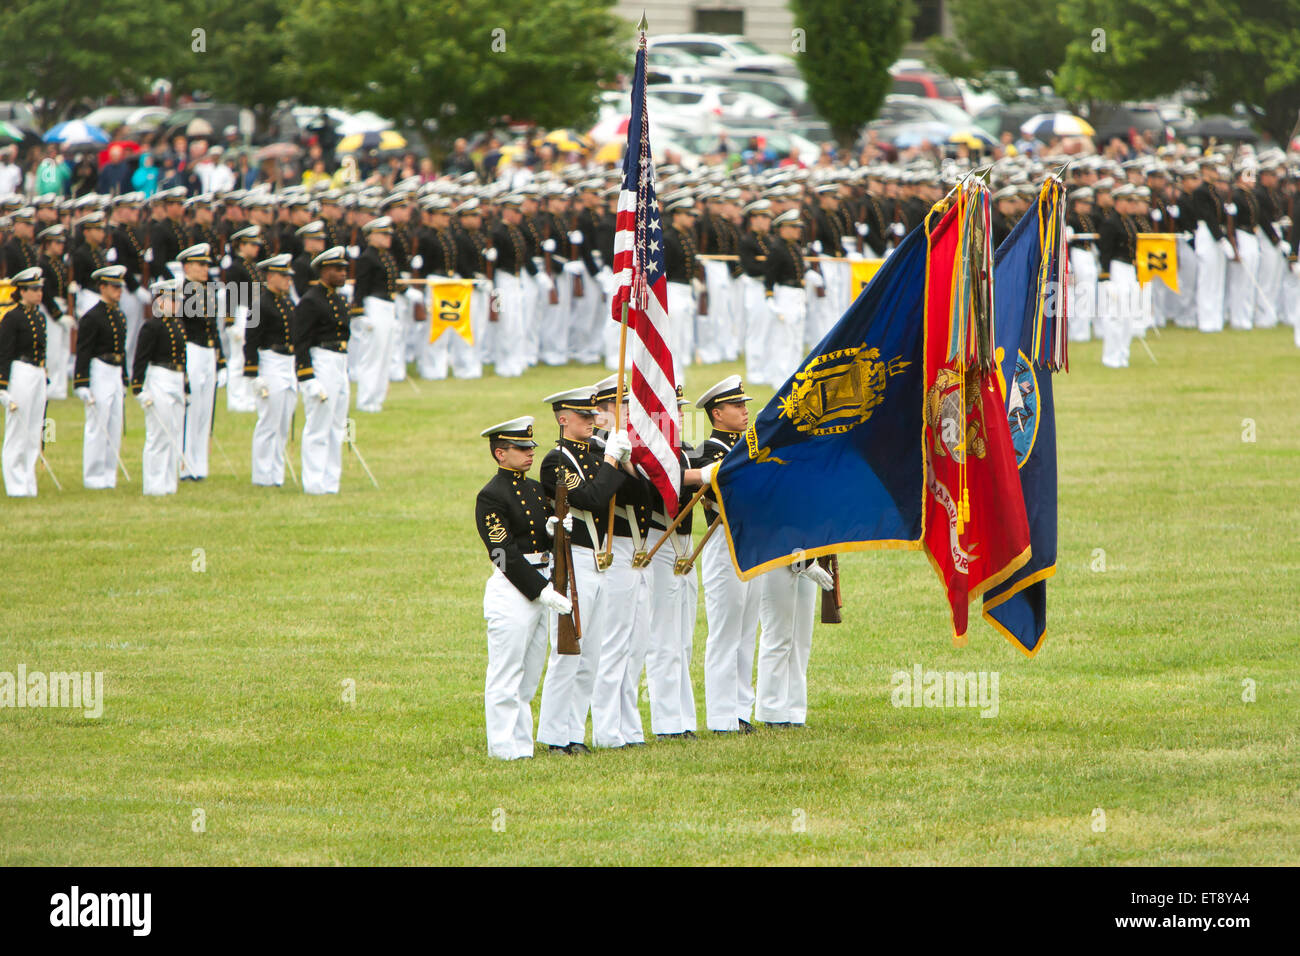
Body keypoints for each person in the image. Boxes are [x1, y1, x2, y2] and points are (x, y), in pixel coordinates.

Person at [535, 387, 629, 754]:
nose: (592, 421)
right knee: (568, 651)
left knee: (591, 654)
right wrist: (611, 462)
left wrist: (625, 458)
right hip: (573, 561)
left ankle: (574, 732)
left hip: (599, 560)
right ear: (563, 420)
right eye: (583, 416)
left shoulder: (595, 454)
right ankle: (555, 735)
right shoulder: (555, 461)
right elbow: (590, 498)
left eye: (593, 416)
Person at [476, 415, 573, 759]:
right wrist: (541, 591)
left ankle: (522, 745)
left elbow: (540, 537)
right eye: (520, 448)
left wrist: (556, 529)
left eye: (530, 446)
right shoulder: (490, 496)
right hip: (513, 588)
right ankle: (504, 748)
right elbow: (502, 553)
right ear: (500, 454)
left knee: (529, 675)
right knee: (506, 672)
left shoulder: (533, 489)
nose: (529, 453)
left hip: (542, 582)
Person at [693, 375, 759, 734]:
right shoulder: (707, 452)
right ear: (717, 413)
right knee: (725, 632)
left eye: (744, 404)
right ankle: (721, 716)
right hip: (726, 539)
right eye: (737, 406)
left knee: (747, 630)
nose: (745, 411)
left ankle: (741, 710)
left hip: (754, 539)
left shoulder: (750, 444)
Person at [292, 245, 352, 495]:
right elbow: (301, 341)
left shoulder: (338, 298)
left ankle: (331, 481)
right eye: (337, 269)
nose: (343, 273)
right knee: (318, 425)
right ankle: (314, 482)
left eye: (344, 269)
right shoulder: (310, 300)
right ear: (323, 270)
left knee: (338, 425)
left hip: (339, 361)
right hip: (322, 360)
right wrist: (307, 377)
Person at [244, 253, 298, 487]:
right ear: (271, 276)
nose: (288, 280)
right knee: (269, 420)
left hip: (288, 361)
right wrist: (253, 375)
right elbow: (251, 341)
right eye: (284, 275)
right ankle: (262, 474)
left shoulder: (288, 302)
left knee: (284, 421)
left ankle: (276, 473)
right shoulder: (259, 304)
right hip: (270, 361)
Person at [73, 265, 130, 489]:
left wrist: (124, 378)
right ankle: (93, 476)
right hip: (99, 369)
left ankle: (109, 474)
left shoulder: (119, 315)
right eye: (115, 286)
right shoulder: (92, 317)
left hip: (114, 371)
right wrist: (81, 382)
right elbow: (84, 350)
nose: (119, 291)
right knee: (97, 424)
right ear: (103, 287)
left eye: (120, 286)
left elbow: (122, 350)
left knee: (114, 424)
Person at [131, 278, 189, 496]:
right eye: (171, 300)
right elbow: (140, 359)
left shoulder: (178, 324)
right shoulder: (151, 326)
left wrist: (186, 386)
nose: (176, 304)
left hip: (176, 377)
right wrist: (139, 388)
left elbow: (183, 358)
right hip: (159, 377)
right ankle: (154, 485)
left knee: (173, 431)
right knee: (158, 433)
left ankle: (168, 482)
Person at [177, 243, 225, 480]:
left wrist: (221, 359)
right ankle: (184, 463)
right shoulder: (180, 292)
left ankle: (200, 465)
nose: (205, 269)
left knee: (205, 409)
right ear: (187, 266)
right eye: (200, 264)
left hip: (207, 352)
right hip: (191, 350)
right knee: (191, 408)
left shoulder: (208, 291)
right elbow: (178, 329)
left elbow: (213, 327)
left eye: (207, 264)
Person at [0, 268, 48, 497]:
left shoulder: (39, 317)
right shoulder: (12, 318)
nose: (39, 293)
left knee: (33, 429)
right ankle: (15, 483)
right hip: (20, 371)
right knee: (17, 430)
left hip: (37, 372)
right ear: (21, 291)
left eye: (40, 289)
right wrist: (2, 385)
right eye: (34, 289)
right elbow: (4, 353)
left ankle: (28, 480)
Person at [351, 216, 400, 412]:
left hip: (388, 305)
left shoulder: (386, 256)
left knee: (385, 355)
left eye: (388, 234)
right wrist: (360, 313)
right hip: (374, 305)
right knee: (372, 355)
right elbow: (360, 287)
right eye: (383, 234)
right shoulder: (367, 257)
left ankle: (377, 397)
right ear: (371, 236)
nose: (388, 238)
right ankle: (366, 399)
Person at [763, 209, 808, 386]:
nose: (798, 230)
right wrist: (770, 298)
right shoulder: (776, 249)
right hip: (785, 293)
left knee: (797, 337)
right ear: (783, 228)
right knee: (784, 338)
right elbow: (769, 276)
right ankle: (780, 378)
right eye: (794, 227)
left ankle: (794, 374)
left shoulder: (795, 247)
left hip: (797, 294)